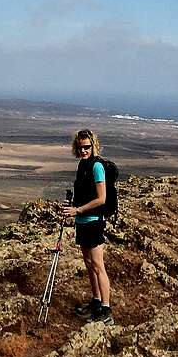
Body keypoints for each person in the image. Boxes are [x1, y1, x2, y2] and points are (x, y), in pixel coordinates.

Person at [55, 128, 112, 322]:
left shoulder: (97, 167)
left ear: (93, 146)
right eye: (80, 147)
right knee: (89, 264)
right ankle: (96, 301)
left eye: (87, 147)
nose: (83, 151)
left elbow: (102, 198)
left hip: (94, 222)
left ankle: (106, 310)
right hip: (83, 222)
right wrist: (73, 207)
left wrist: (77, 210)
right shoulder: (83, 165)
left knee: (98, 265)